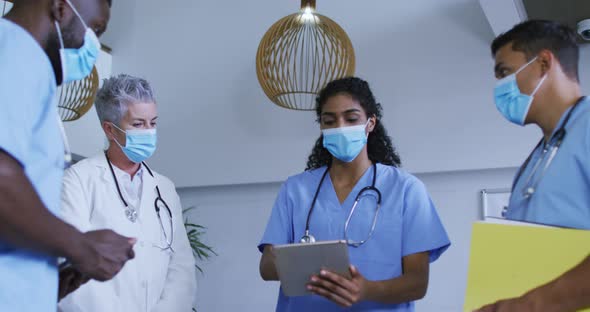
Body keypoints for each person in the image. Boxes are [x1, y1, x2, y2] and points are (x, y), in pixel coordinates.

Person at [258, 77, 450, 311]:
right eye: (330, 121)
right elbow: (267, 266)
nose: (340, 127)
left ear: (370, 123)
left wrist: (367, 290)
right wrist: (304, 265)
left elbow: (418, 283)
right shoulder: (295, 190)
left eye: (351, 119)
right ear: (322, 126)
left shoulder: (407, 190)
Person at [0, 1, 136, 311]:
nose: (93, 45)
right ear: (61, 8)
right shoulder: (15, 51)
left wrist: (47, 283)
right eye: (96, 29)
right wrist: (81, 247)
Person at [476, 20, 590, 312]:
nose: (500, 88)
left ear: (543, 63)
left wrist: (528, 305)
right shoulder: (537, 160)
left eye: (504, 72)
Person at [58, 74, 197, 311]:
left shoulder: (164, 188)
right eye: (138, 124)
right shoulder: (78, 180)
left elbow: (181, 268)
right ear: (110, 130)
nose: (149, 132)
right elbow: (72, 263)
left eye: (153, 122)